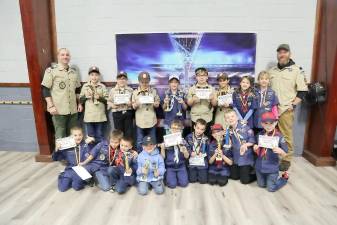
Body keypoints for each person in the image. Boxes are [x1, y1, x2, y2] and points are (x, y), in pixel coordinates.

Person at [269, 44, 308, 171]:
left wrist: (293, 104)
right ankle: (270, 156)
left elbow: (302, 91)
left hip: (286, 109)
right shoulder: (272, 71)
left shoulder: (297, 70)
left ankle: (286, 159)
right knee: (270, 134)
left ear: (289, 54)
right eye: (279, 52)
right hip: (272, 109)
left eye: (284, 52)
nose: (282, 54)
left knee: (286, 136)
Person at [41, 48, 82, 139]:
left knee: (72, 136)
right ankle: (60, 153)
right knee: (60, 136)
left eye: (67, 55)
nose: (65, 57)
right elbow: (45, 89)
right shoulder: (51, 71)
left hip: (73, 110)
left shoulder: (74, 72)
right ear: (58, 56)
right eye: (62, 55)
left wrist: (79, 103)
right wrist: (51, 106)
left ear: (70, 57)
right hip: (58, 110)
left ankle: (70, 153)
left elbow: (77, 89)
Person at [253, 112, 289, 192]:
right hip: (260, 167)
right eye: (266, 123)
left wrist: (281, 151)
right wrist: (254, 147)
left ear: (276, 123)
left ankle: (284, 178)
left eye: (271, 123)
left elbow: (285, 153)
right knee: (261, 185)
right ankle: (267, 179)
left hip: (272, 168)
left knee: (271, 188)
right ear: (262, 124)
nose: (268, 126)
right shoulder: (259, 135)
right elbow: (255, 145)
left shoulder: (279, 136)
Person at [52, 126, 91, 192]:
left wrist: (92, 141)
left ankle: (76, 180)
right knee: (62, 189)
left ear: (82, 135)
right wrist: (56, 149)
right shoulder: (66, 147)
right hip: (71, 169)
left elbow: (92, 156)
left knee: (77, 187)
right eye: (75, 135)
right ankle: (62, 175)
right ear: (71, 136)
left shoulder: (86, 144)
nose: (78, 137)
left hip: (82, 169)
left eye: (80, 135)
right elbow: (55, 158)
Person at [225, 109, 256, 184]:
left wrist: (246, 144)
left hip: (246, 157)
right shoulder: (228, 130)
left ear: (237, 117)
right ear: (226, 120)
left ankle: (256, 174)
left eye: (232, 116)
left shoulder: (245, 127)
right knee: (234, 176)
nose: (230, 118)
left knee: (244, 180)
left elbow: (253, 140)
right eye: (228, 117)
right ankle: (241, 171)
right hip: (236, 157)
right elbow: (229, 145)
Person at [132, 72, 160, 152]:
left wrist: (155, 104)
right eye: (142, 82)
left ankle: (153, 156)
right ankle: (140, 157)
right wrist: (137, 103)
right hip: (140, 121)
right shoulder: (135, 92)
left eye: (146, 82)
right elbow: (133, 106)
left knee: (152, 140)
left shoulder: (153, 91)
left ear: (149, 81)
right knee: (140, 141)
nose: (144, 84)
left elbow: (157, 103)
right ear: (139, 82)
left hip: (151, 120)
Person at [79, 66, 108, 143]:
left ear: (99, 76)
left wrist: (99, 98)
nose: (94, 77)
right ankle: (91, 153)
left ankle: (100, 154)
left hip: (100, 116)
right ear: (89, 76)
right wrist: (86, 97)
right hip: (89, 116)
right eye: (92, 75)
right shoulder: (85, 86)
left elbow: (107, 100)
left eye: (96, 75)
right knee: (90, 137)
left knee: (100, 135)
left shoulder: (102, 86)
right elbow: (80, 100)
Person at [160, 120, 189, 189]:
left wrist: (184, 151)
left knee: (184, 184)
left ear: (181, 130)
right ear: (170, 129)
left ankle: (178, 177)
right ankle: (171, 177)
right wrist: (162, 149)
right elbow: (162, 157)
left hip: (181, 166)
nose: (175, 130)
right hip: (170, 166)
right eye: (173, 128)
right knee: (172, 185)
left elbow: (187, 156)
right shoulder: (166, 141)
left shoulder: (183, 141)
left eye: (177, 129)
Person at [187, 67, 216, 136]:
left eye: (203, 75)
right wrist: (193, 100)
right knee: (194, 139)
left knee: (207, 139)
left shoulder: (212, 89)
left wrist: (212, 99)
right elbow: (189, 104)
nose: (201, 77)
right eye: (199, 75)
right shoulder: (192, 89)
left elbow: (215, 104)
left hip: (207, 118)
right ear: (196, 77)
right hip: (195, 118)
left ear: (207, 77)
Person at [107, 71, 134, 138]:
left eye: (123, 79)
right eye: (120, 79)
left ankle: (128, 148)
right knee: (118, 133)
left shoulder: (130, 90)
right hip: (117, 113)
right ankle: (119, 148)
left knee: (129, 132)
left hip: (128, 112)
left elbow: (134, 102)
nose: (122, 80)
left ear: (126, 80)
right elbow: (109, 101)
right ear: (117, 80)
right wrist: (112, 105)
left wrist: (130, 103)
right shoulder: (113, 90)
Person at [185, 118, 209, 184]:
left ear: (204, 130)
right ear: (194, 127)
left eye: (202, 129)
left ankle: (201, 172)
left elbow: (208, 150)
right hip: (192, 162)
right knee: (192, 180)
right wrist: (190, 152)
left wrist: (204, 154)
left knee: (203, 181)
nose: (199, 131)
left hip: (201, 162)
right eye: (198, 128)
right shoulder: (188, 137)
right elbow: (186, 147)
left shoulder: (206, 138)